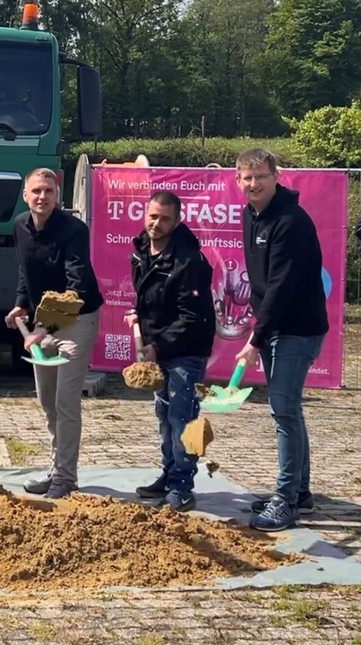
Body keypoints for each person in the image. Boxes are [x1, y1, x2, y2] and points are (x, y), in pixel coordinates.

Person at [233, 148, 330, 532]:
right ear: (237, 181)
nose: (253, 184)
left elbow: (281, 286)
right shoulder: (250, 214)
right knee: (289, 410)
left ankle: (286, 500)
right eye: (247, 178)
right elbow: (260, 282)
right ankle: (301, 492)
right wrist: (261, 326)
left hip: (299, 328)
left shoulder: (291, 222)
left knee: (283, 411)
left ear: (276, 176)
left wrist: (255, 339)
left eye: (260, 176)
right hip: (275, 325)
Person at [5, 167, 103, 499]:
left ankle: (66, 475)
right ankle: (55, 466)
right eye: (36, 191)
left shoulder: (74, 229)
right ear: (26, 195)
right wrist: (21, 305)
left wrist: (43, 328)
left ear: (57, 195)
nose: (42, 197)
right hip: (43, 322)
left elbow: (75, 286)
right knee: (47, 400)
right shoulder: (20, 225)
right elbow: (25, 270)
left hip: (78, 319)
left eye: (49, 190)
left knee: (65, 401)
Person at [123, 191, 216, 512]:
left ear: (177, 221)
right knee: (164, 416)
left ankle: (183, 486)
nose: (156, 223)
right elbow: (151, 299)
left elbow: (192, 316)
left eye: (164, 218)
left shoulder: (189, 260)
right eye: (152, 216)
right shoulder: (141, 252)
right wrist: (140, 318)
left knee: (184, 418)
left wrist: (157, 345)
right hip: (159, 349)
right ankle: (169, 473)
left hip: (187, 349)